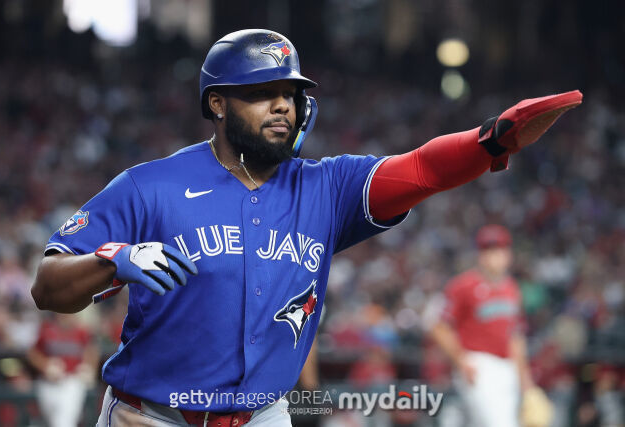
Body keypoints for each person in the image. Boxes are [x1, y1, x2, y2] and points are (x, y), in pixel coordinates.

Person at [31, 28, 581, 426]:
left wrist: (491, 141)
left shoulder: (328, 187)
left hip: (264, 415)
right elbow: (47, 287)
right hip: (152, 416)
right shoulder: (149, 185)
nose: (282, 106)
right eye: (261, 92)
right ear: (217, 103)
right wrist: (113, 260)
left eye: (290, 94)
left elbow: (421, 170)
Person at [429, 225, 547, 427]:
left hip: (508, 368)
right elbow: (439, 327)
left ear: (508, 254)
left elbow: (515, 337)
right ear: (480, 255)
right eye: (488, 250)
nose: (494, 256)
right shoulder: (463, 285)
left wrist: (527, 383)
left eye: (499, 250)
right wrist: (461, 360)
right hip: (479, 364)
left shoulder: (512, 288)